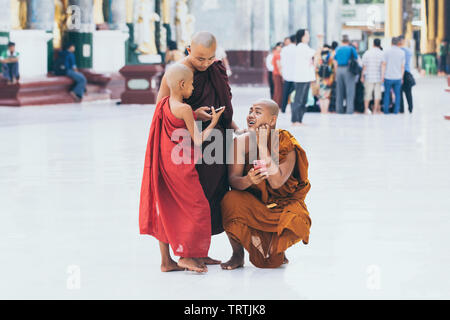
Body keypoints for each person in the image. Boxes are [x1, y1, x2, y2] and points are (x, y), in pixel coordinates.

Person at [156, 31, 242, 266]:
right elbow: (163, 108)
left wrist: (235, 127)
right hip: (187, 145)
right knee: (193, 198)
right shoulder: (176, 74)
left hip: (217, 141)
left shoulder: (216, 68)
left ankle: (200, 251)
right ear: (188, 50)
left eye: (210, 58)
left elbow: (223, 104)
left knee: (213, 195)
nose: (205, 64)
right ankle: (186, 253)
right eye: (200, 59)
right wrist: (193, 115)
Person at [139, 64, 225, 273]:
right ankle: (188, 256)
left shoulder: (165, 104)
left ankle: (167, 261)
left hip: (165, 164)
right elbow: (198, 140)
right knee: (198, 208)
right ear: (181, 84)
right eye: (192, 84)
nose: (194, 88)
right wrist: (213, 122)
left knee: (167, 210)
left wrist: (195, 115)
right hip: (181, 167)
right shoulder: (184, 109)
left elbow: (176, 120)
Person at [220, 99, 311, 269]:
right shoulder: (241, 143)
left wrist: (262, 145)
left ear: (272, 120)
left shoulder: (286, 142)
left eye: (258, 112)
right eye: (250, 110)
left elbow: (276, 182)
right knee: (230, 200)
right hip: (254, 206)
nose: (251, 115)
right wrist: (248, 180)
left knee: (297, 220)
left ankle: (278, 247)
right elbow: (233, 180)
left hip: (281, 207)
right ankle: (237, 255)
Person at [291, 29, 317, 125]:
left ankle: (300, 120)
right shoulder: (301, 47)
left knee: (304, 100)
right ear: (302, 37)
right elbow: (315, 53)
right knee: (298, 99)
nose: (308, 37)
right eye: (307, 35)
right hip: (301, 78)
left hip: (306, 77)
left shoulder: (305, 47)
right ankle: (295, 120)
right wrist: (321, 41)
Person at [334, 35, 359, 114]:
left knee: (339, 91)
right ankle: (349, 110)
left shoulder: (337, 49)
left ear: (342, 41)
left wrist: (335, 72)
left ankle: (339, 110)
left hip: (339, 69)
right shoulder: (351, 49)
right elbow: (356, 58)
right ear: (348, 41)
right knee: (350, 91)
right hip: (348, 70)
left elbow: (335, 61)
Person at [382, 37, 405, 114]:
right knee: (397, 95)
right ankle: (396, 111)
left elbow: (384, 64)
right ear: (398, 43)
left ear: (391, 43)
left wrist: (382, 75)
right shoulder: (402, 52)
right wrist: (401, 77)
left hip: (388, 76)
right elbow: (402, 67)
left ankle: (386, 111)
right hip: (398, 77)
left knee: (387, 94)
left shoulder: (386, 52)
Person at [361, 38, 384, 114]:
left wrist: (362, 76)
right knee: (377, 94)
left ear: (373, 44)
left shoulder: (367, 53)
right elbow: (383, 66)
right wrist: (383, 76)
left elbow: (364, 66)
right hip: (378, 77)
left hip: (369, 76)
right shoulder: (382, 53)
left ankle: (366, 109)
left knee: (367, 94)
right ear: (380, 44)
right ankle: (375, 110)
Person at [280, 34, 297, 113]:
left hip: (286, 74)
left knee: (285, 93)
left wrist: (283, 73)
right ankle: (293, 108)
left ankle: (283, 108)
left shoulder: (284, 49)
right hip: (295, 75)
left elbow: (282, 62)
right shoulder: (297, 49)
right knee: (294, 93)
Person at [316, 45, 335, 114]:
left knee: (321, 96)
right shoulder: (330, 59)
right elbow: (332, 69)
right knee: (327, 96)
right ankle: (325, 111)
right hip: (328, 80)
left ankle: (322, 111)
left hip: (320, 80)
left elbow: (316, 69)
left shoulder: (319, 59)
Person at [398, 36, 415, 113]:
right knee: (408, 93)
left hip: (398, 73)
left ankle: (401, 109)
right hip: (407, 73)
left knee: (400, 92)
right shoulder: (408, 51)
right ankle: (410, 108)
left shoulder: (397, 51)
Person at [271, 42, 283, 109]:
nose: (281, 48)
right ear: (277, 47)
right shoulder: (277, 55)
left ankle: (275, 105)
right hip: (278, 74)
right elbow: (279, 66)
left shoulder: (275, 54)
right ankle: (277, 105)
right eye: (280, 46)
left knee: (277, 90)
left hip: (275, 73)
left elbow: (272, 63)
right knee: (279, 91)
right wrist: (282, 75)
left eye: (282, 47)